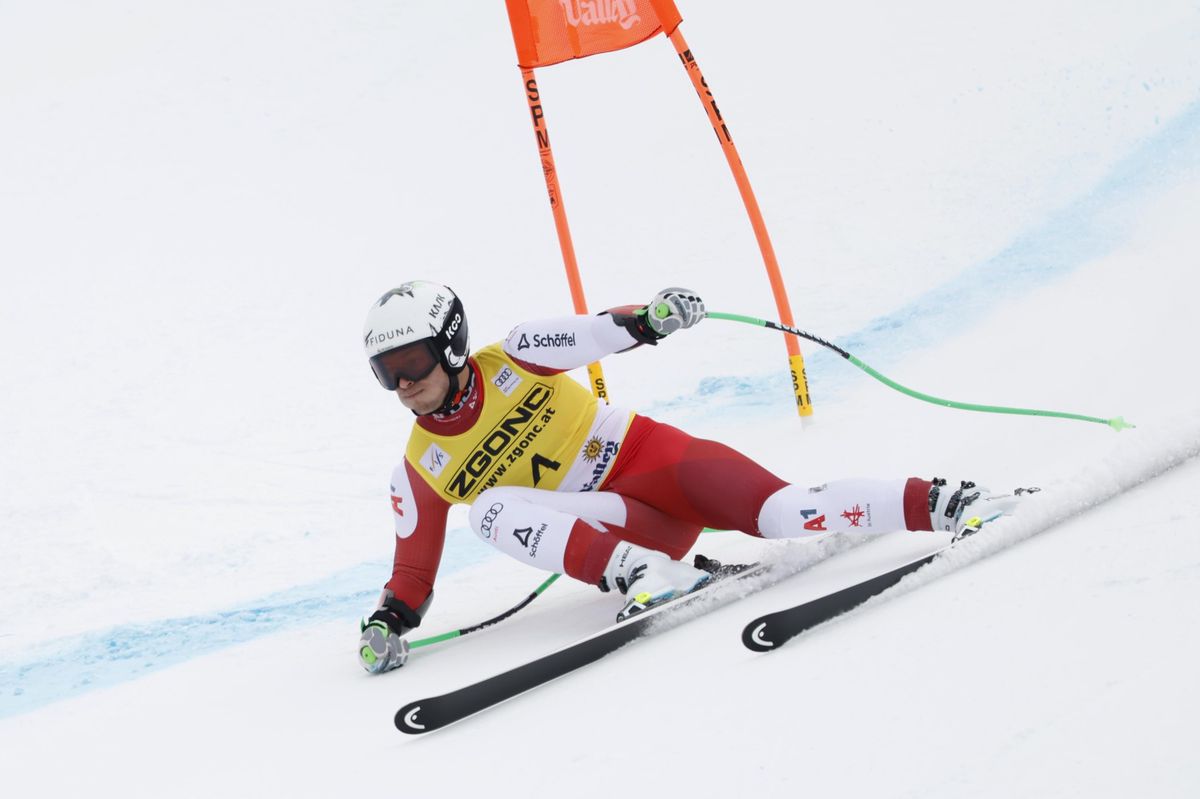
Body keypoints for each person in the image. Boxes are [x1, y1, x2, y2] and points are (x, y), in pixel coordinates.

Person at [357, 280, 1018, 673]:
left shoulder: (518, 353)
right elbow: (412, 571)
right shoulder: (420, 468)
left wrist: (652, 318)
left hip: (658, 462)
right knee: (489, 510)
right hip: (627, 532)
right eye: (388, 371)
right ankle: (647, 576)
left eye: (413, 360)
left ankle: (948, 501)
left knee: (783, 512)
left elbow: (596, 333)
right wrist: (387, 622)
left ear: (448, 343)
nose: (405, 383)